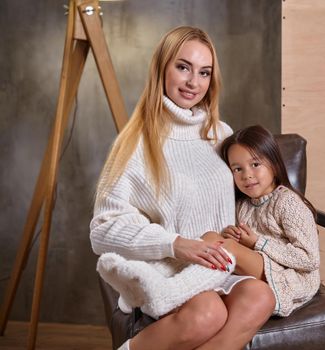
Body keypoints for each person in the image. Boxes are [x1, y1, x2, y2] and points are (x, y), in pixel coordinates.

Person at [90, 26, 275, 350]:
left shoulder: (221, 133)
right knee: (208, 313)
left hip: (220, 265)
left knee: (261, 295)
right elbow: (102, 229)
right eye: (183, 67)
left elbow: (251, 193)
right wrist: (176, 244)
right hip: (172, 271)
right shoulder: (135, 142)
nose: (193, 82)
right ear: (162, 67)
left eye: (204, 72)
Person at [206, 124, 321, 317]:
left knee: (225, 248)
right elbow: (246, 246)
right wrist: (234, 236)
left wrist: (258, 243)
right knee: (211, 238)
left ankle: (187, 289)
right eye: (237, 169)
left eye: (255, 165)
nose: (247, 175)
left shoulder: (287, 203)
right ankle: (200, 297)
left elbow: (309, 259)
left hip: (291, 275)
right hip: (260, 268)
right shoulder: (242, 205)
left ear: (274, 164)